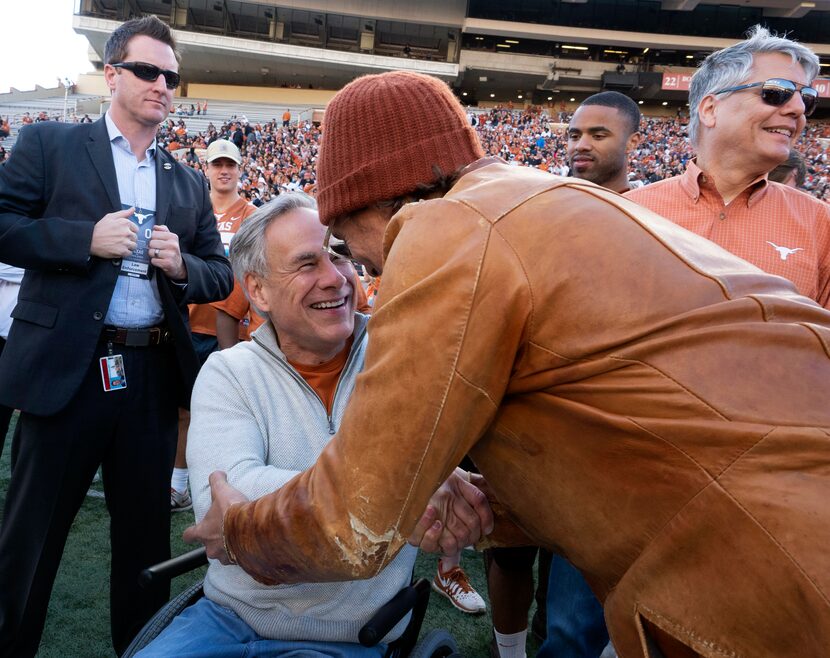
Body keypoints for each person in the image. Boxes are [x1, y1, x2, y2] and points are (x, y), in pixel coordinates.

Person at [186, 70, 830, 658]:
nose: (358, 268)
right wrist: (494, 505)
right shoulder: (532, 198)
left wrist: (239, 529)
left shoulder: (446, 232)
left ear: (369, 204)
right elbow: (619, 422)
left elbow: (354, 520)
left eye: (340, 241)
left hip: (773, 556)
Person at [139, 193, 487, 657]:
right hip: (229, 618)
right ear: (258, 291)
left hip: (350, 635)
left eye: (338, 255)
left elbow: (247, 505)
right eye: (306, 264)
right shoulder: (229, 373)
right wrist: (403, 491)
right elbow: (223, 502)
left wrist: (272, 502)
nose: (334, 279)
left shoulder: (404, 357)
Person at [0, 16, 233, 657]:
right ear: (112, 74)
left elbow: (220, 271)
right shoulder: (49, 144)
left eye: (172, 76)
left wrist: (182, 264)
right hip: (66, 375)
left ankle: (143, 651)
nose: (163, 84)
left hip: (150, 382)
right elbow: (3, 221)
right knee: (31, 542)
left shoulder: (185, 180)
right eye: (148, 70)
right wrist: (81, 240)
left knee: (143, 547)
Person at [625, 26, 829, 309]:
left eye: (806, 97)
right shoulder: (628, 212)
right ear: (710, 109)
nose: (798, 109)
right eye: (776, 92)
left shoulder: (822, 224)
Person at [170, 138, 258, 512]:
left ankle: (209, 483)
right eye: (217, 164)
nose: (224, 171)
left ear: (240, 170)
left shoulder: (252, 214)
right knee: (179, 408)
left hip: (228, 329)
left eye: (231, 165)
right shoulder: (192, 210)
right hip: (186, 322)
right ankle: (178, 482)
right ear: (206, 168)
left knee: (220, 411)